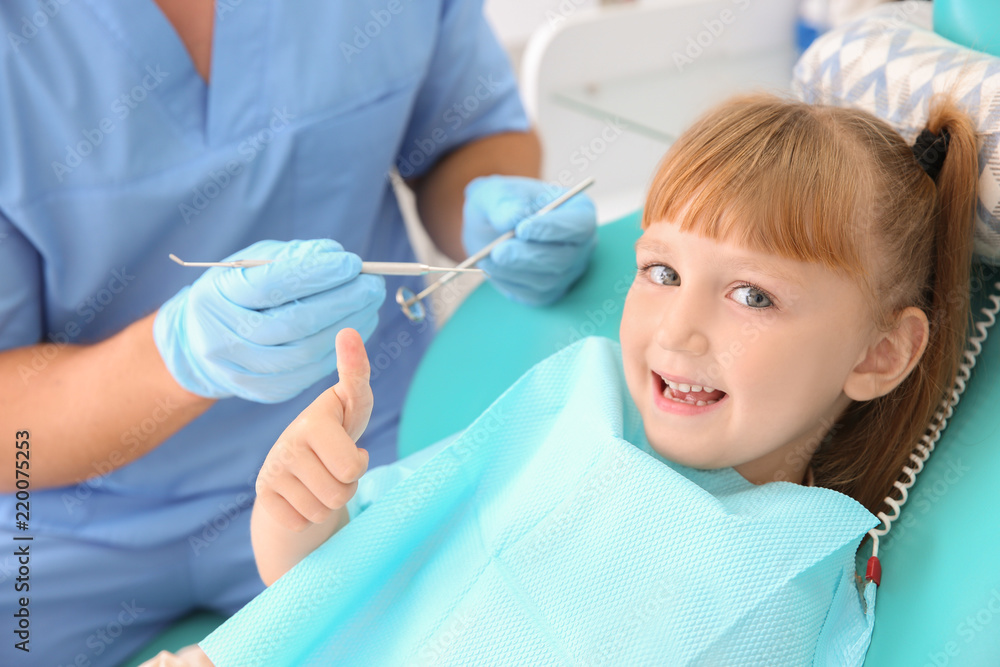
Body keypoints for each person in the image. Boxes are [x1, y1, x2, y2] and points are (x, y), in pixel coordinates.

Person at [149, 91, 979, 665]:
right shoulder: (566, 412)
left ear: (880, 355)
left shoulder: (788, 572)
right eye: (659, 271)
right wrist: (299, 511)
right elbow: (326, 585)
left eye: (752, 294)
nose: (678, 328)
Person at [0, 1, 596, 664]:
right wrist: (178, 357)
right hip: (54, 526)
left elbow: (465, 134)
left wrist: (493, 214)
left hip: (353, 466)